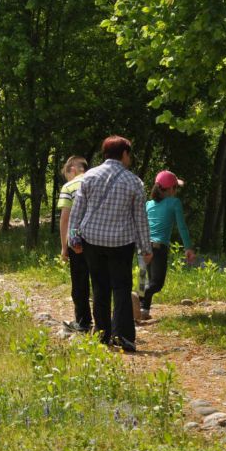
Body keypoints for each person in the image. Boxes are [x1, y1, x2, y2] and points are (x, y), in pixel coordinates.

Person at [68, 136, 152, 352]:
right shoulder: (134, 182)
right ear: (124, 153)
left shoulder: (89, 177)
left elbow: (77, 210)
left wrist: (73, 239)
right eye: (129, 154)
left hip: (92, 241)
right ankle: (123, 336)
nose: (130, 158)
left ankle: (103, 333)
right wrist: (145, 248)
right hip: (121, 243)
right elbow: (140, 218)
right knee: (121, 287)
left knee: (99, 286)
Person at [138, 170, 196, 319]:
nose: (176, 191)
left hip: (142, 245)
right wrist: (188, 247)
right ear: (170, 189)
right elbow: (182, 226)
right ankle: (137, 299)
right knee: (156, 284)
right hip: (158, 247)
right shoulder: (174, 202)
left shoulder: (148, 204)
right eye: (176, 188)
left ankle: (143, 311)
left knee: (145, 280)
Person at [57, 156, 92, 332]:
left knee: (80, 283)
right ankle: (105, 324)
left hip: (77, 240)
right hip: (101, 239)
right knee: (101, 282)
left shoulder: (69, 187)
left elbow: (65, 218)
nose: (67, 178)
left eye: (67, 174)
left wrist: (65, 247)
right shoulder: (98, 182)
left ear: (72, 169)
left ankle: (83, 322)